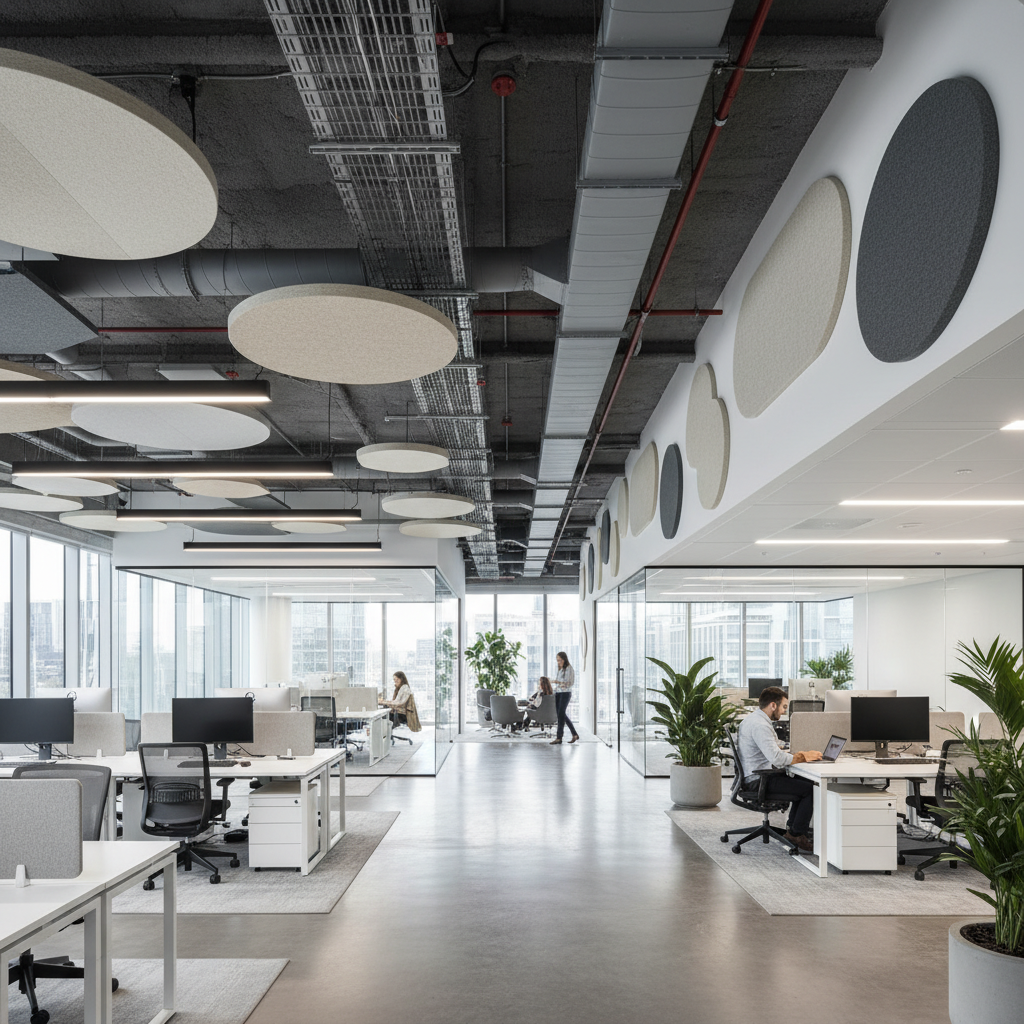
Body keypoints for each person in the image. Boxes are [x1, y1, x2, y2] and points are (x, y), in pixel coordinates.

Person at [735, 685, 822, 851]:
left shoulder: (755, 719)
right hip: (758, 780)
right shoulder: (760, 725)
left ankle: (794, 830)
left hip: (754, 776)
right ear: (773, 705)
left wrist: (798, 752)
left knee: (804, 781)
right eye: (783, 707)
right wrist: (803, 757)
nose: (783, 712)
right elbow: (777, 758)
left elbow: (776, 747)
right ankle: (796, 834)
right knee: (809, 789)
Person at [551, 652, 579, 745]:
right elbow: (560, 683)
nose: (558, 662)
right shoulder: (560, 669)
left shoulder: (569, 669)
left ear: (564, 659)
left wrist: (557, 681)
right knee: (560, 715)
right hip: (558, 693)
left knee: (561, 714)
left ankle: (559, 737)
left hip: (565, 693)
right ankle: (574, 734)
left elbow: (569, 682)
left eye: (560, 660)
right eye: (557, 660)